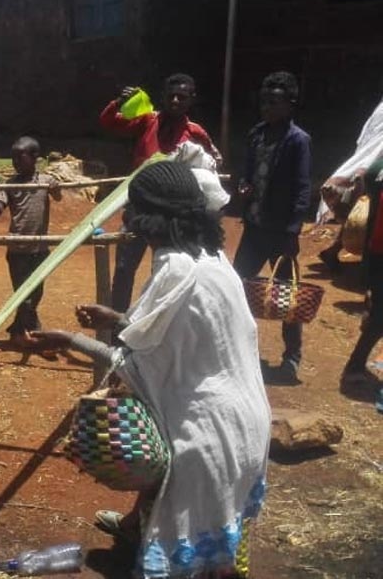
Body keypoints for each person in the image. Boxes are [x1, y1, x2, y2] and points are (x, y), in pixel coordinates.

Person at [24, 160, 271, 579]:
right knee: (221, 549)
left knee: (186, 555)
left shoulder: (173, 266)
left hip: (206, 435)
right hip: (248, 426)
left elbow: (134, 363)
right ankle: (134, 531)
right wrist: (118, 320)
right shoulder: (214, 259)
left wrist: (68, 340)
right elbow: (172, 332)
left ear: (148, 217)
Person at [99, 74, 221, 312]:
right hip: (137, 209)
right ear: (163, 97)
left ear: (191, 100)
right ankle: (116, 324)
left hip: (172, 217)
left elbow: (213, 163)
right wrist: (118, 102)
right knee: (124, 268)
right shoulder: (147, 120)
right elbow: (109, 122)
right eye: (171, 95)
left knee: (167, 269)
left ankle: (159, 323)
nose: (175, 100)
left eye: (182, 97)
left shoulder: (196, 133)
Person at [234, 71, 312, 385]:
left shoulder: (298, 140)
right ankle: (238, 352)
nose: (268, 107)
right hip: (254, 227)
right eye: (265, 101)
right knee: (238, 287)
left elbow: (303, 187)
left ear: (290, 105)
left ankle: (291, 358)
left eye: (275, 102)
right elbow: (247, 174)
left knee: (287, 297)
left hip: (281, 232)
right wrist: (243, 188)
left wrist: (293, 231)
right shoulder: (256, 135)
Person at [0, 136, 62, 337]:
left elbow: (58, 196)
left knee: (36, 293)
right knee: (23, 294)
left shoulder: (46, 181)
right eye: (13, 158)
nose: (16, 162)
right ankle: (34, 334)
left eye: (20, 157)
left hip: (40, 248)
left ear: (35, 157)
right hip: (17, 248)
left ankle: (19, 327)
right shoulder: (10, 184)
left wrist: (55, 189)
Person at [316, 94, 383, 271]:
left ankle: (334, 250)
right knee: (370, 218)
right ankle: (370, 269)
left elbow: (366, 140)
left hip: (369, 168)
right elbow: (374, 144)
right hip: (373, 170)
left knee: (365, 216)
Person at [340, 153, 383, 388]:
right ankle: (354, 366)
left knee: (379, 313)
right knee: (380, 316)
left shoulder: (378, 164)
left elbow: (366, 178)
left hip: (375, 246)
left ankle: (355, 365)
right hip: (379, 246)